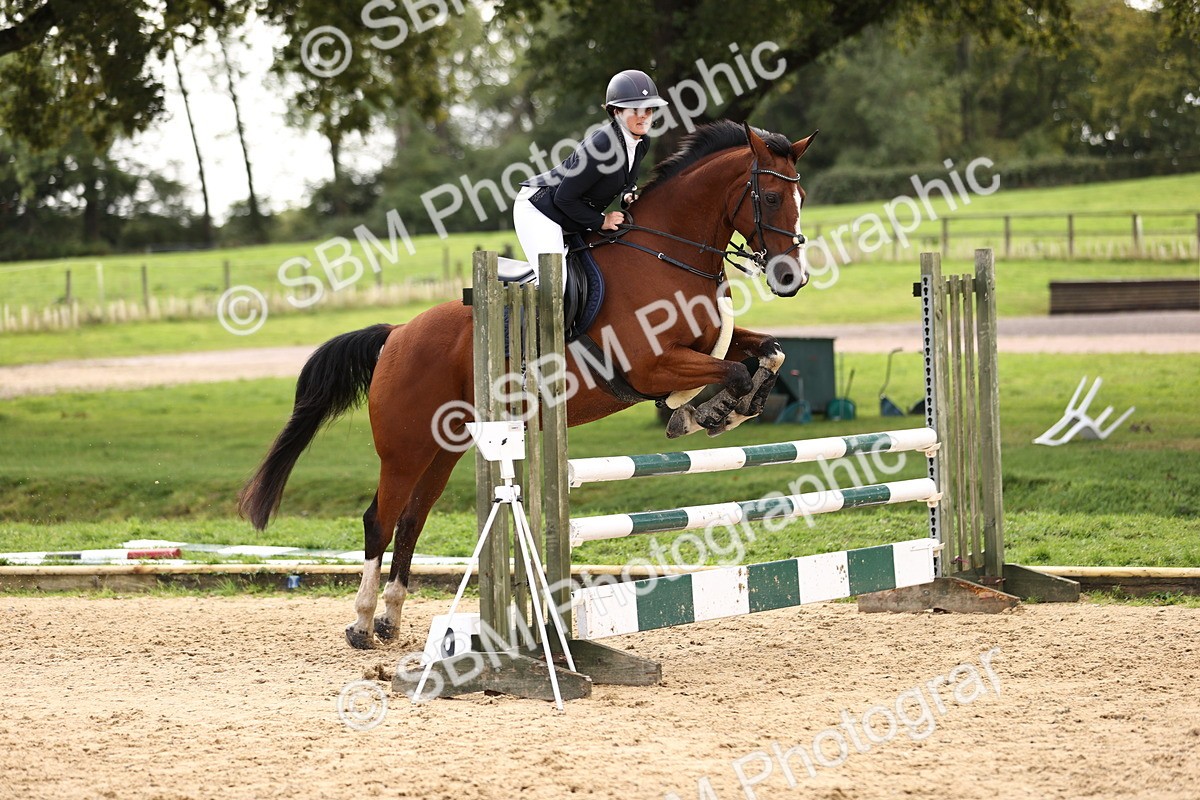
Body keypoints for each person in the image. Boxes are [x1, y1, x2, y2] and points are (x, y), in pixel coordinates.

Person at [513, 69, 669, 287]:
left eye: (649, 108)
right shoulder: (601, 145)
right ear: (616, 112)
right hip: (540, 208)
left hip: (571, 212)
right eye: (635, 108)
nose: (643, 115)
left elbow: (627, 181)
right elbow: (564, 198)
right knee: (556, 282)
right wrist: (601, 221)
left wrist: (628, 197)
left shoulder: (642, 142)